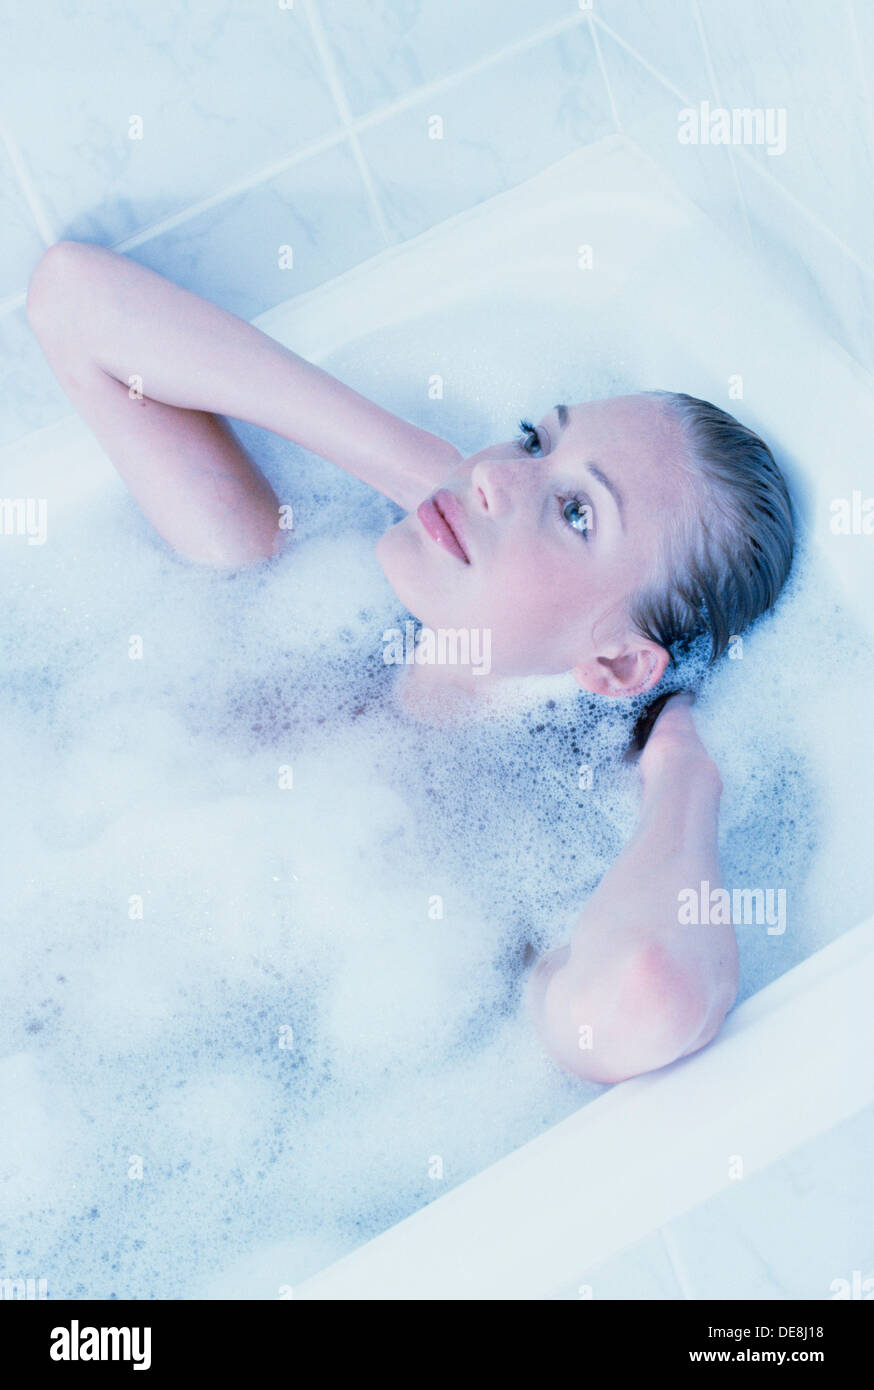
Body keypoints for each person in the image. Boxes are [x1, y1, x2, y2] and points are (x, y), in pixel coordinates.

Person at [25, 241, 795, 1084]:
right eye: (534, 442)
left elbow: (638, 1005)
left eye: (576, 512)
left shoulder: (504, 867)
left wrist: (684, 771)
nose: (501, 475)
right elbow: (71, 299)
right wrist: (423, 472)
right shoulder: (267, 604)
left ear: (614, 666)